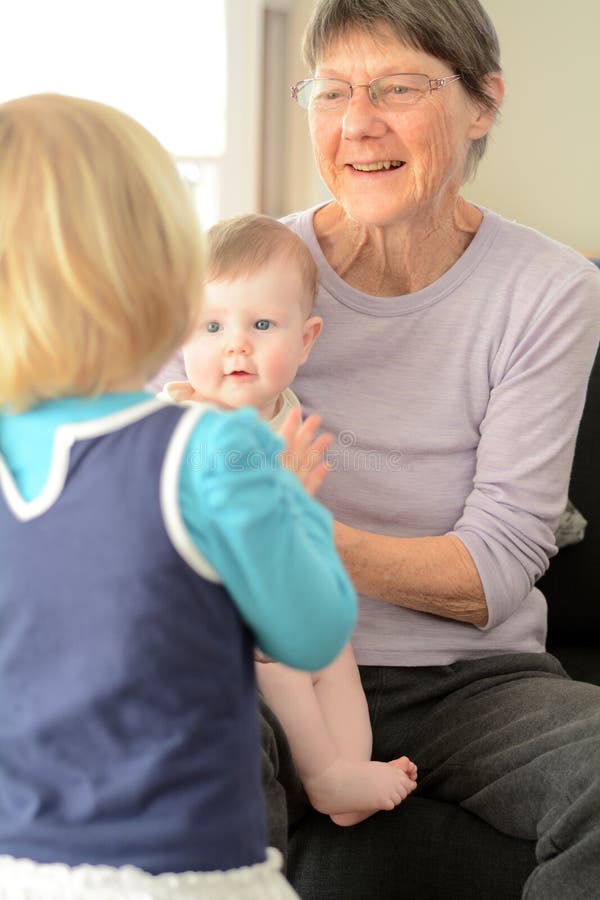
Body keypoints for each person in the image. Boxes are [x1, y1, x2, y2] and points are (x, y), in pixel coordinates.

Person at [154, 1, 600, 897]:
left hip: (469, 682)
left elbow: (496, 568)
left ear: (482, 106)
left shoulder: (550, 290)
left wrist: (292, 525)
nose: (359, 122)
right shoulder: (240, 273)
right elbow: (150, 473)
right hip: (256, 648)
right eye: (332, 91)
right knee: (174, 742)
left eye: (399, 87)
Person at [0, 94, 359, 900]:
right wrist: (287, 495)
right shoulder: (217, 445)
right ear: (160, 272)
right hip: (187, 870)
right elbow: (312, 632)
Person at [158, 212, 418, 826]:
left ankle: (348, 768)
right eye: (212, 325)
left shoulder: (285, 413)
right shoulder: (183, 426)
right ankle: (323, 773)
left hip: (283, 590)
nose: (236, 344)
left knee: (334, 651)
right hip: (208, 611)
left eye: (263, 324)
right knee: (277, 663)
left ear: (305, 340)